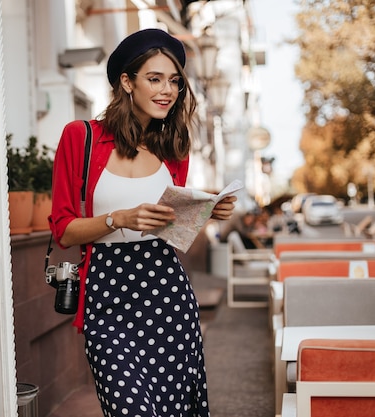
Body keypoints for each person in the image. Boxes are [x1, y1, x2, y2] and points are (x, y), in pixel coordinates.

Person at [48, 28, 236, 417]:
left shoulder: (173, 150)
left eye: (173, 81)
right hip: (107, 294)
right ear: (126, 82)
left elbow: (170, 230)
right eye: (154, 79)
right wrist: (119, 218)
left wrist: (204, 209)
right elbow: (64, 230)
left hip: (166, 293)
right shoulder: (80, 138)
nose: (167, 90)